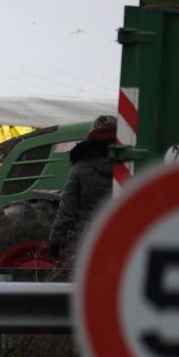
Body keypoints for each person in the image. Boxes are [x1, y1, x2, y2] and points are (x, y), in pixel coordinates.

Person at [48, 114, 117, 267]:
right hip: (117, 242)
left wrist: (55, 242)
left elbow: (66, 212)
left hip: (84, 243)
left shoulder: (80, 167)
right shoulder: (128, 167)